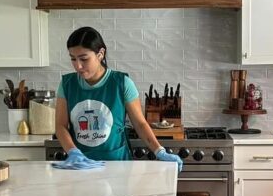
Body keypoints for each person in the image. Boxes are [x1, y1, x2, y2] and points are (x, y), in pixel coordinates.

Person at [54, 27, 183, 171]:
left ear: (100, 54)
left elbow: (140, 124)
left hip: (118, 165)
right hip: (81, 165)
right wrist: (73, 151)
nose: (78, 65)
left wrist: (159, 151)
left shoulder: (122, 83)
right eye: (73, 58)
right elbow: (60, 125)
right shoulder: (67, 84)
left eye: (84, 59)